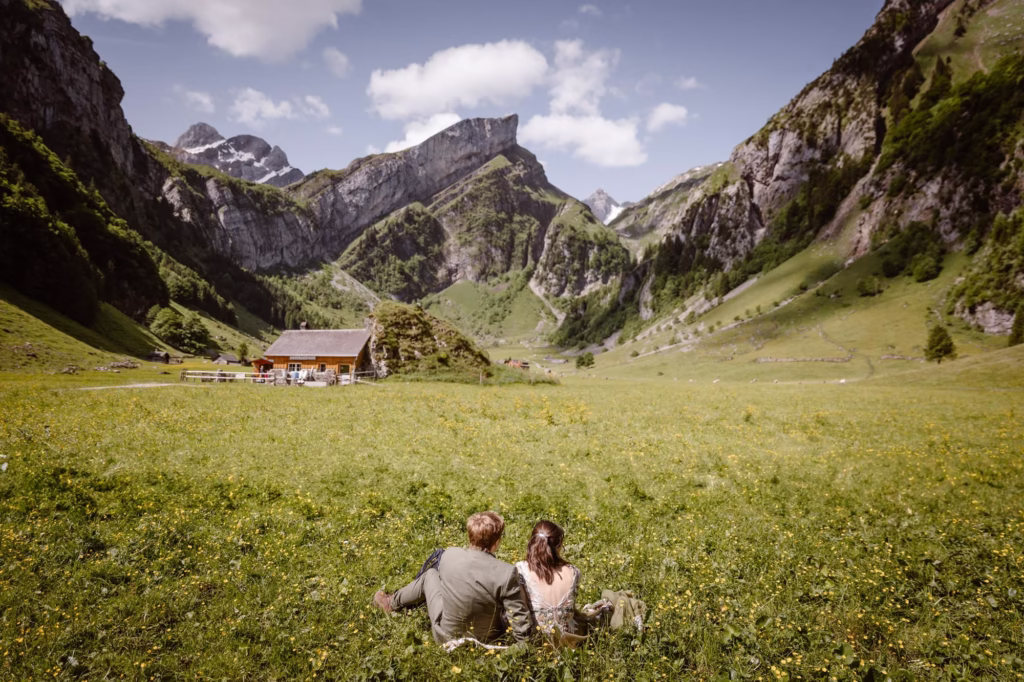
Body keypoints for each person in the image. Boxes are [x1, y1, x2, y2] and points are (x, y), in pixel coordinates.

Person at [373, 511, 533, 645]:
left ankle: (391, 602)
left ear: (470, 535)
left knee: (430, 575)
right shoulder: (506, 571)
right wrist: (521, 649)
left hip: (445, 636)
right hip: (488, 641)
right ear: (497, 542)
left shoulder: (449, 555)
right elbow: (519, 617)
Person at [514, 520, 583, 638]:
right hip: (568, 639)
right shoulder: (573, 572)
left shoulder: (521, 569)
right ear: (558, 546)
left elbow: (520, 608)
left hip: (537, 639)